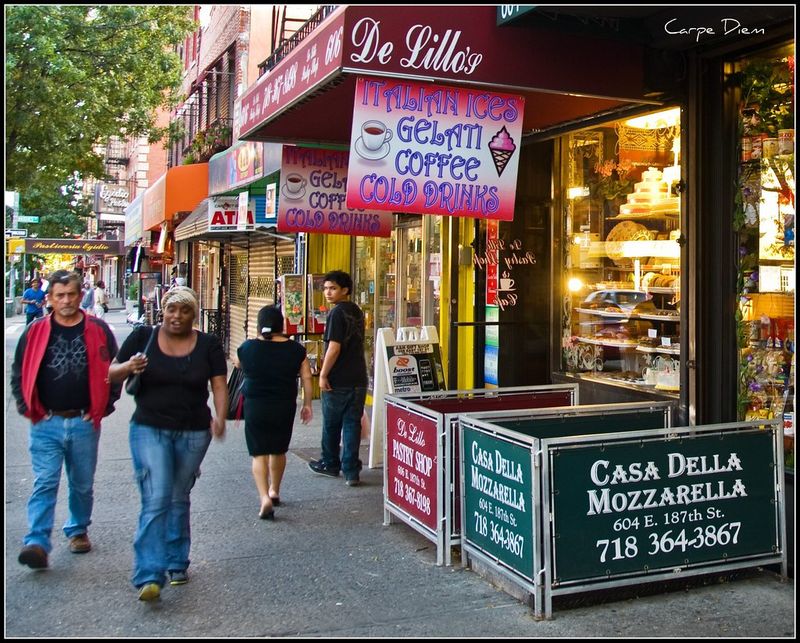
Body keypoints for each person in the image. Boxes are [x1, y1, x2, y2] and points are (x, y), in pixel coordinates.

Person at [108, 286, 227, 602]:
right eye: (171, 310)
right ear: (163, 311)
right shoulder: (141, 337)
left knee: (177, 494)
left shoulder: (208, 345)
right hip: (149, 428)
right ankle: (148, 573)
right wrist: (129, 367)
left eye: (184, 310)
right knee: (157, 495)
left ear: (193, 313)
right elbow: (112, 373)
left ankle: (176, 562)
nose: (177, 316)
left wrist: (221, 417)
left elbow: (218, 383)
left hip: (193, 431)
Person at [11, 270, 121, 570]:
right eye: (60, 295)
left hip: (84, 421)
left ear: (79, 294)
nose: (66, 300)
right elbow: (19, 371)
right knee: (45, 482)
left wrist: (106, 405)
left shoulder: (97, 328)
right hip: (46, 421)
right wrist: (26, 406)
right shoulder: (35, 330)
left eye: (71, 294)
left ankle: (77, 530)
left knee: (81, 483)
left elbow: (115, 368)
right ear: (50, 299)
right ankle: (37, 541)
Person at [236, 306, 313, 520]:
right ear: (282, 324)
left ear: (260, 325)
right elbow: (306, 378)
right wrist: (307, 404)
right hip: (283, 405)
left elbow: (240, 364)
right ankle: (274, 490)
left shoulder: (247, 347)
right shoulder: (296, 350)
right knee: (278, 449)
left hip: (255, 406)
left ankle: (264, 498)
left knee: (259, 452)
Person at [308, 270, 368, 487]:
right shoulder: (357, 311)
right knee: (352, 423)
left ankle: (330, 462)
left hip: (338, 379)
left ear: (345, 290)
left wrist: (323, 374)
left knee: (332, 424)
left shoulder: (336, 314)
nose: (328, 292)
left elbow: (334, 347)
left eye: (333, 288)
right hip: (358, 377)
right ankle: (351, 470)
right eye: (325, 288)